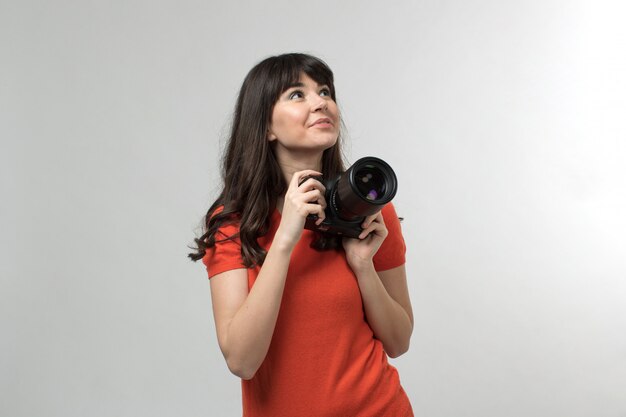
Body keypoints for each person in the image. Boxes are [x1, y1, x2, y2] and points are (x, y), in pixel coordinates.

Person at [189, 53, 414, 417]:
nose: (320, 102)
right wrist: (284, 239)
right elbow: (242, 361)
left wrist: (363, 266)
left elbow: (399, 341)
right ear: (266, 127)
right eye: (297, 94)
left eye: (325, 91)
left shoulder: (372, 210)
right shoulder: (234, 223)